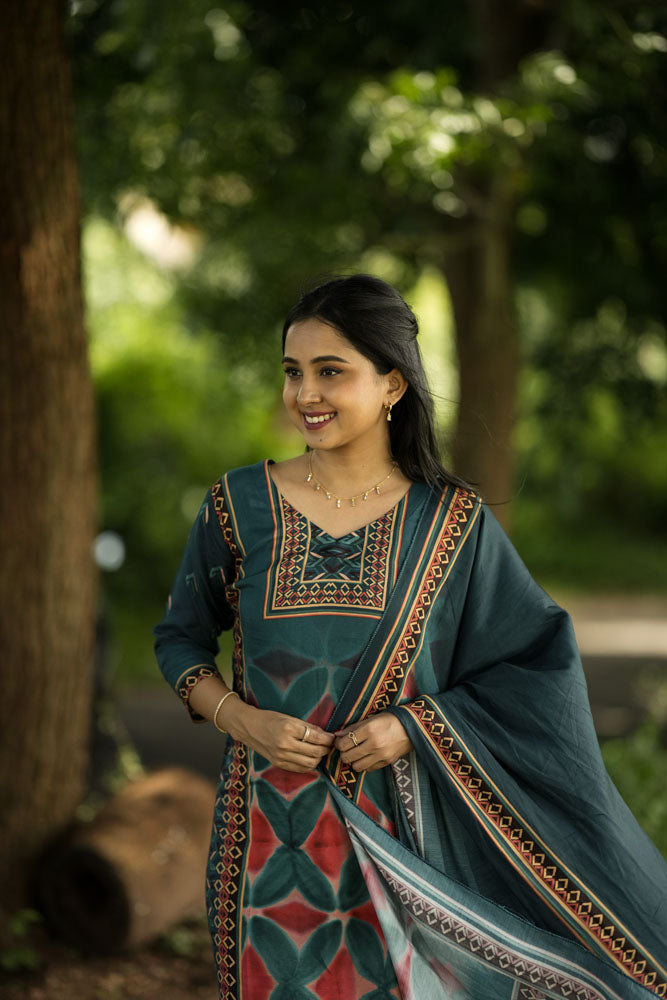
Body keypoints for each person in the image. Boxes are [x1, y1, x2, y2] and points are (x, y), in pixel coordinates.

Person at [154, 274, 667, 1000]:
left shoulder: (453, 524)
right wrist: (240, 718)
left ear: (391, 384)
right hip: (266, 838)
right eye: (293, 372)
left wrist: (413, 725)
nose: (306, 394)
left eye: (332, 372)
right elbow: (179, 638)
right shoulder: (238, 505)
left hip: (410, 847)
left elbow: (533, 664)